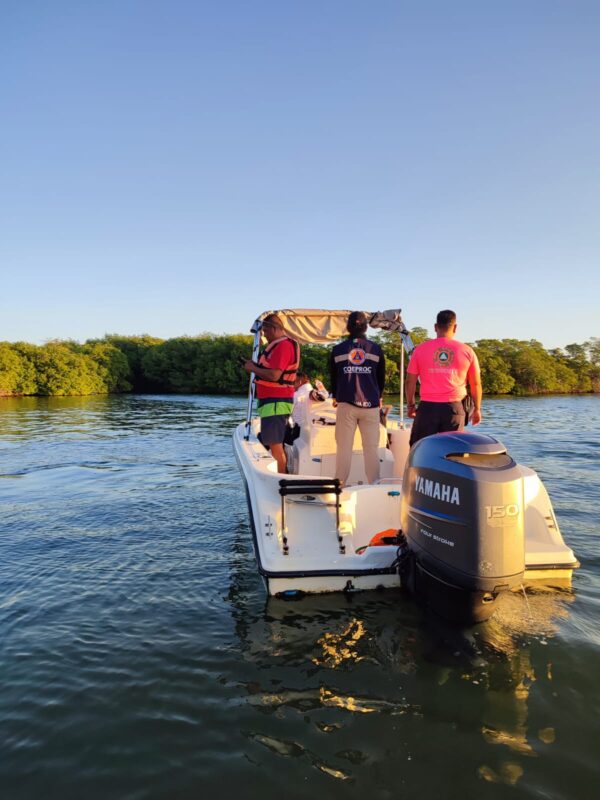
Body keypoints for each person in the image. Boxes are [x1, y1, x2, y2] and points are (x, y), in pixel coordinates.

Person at [405, 309, 482, 446]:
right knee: (453, 453)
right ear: (455, 327)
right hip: (454, 409)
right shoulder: (467, 351)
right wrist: (477, 409)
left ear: (435, 327)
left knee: (420, 449)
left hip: (427, 409)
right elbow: (475, 384)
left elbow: (410, 381)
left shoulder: (420, 350)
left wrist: (411, 405)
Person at [329, 311, 386, 485]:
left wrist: (335, 396)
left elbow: (334, 377)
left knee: (344, 448)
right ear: (366, 327)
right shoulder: (376, 349)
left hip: (346, 404)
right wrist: (378, 397)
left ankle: (339, 485)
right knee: (371, 449)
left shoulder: (337, 350)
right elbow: (381, 378)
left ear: (348, 327)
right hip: (371, 406)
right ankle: (374, 484)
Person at [243, 314, 300, 473]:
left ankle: (280, 478)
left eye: (266, 331)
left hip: (276, 401)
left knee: (276, 445)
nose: (264, 335)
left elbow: (275, 375)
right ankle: (281, 475)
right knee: (275, 444)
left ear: (275, 329)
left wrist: (253, 368)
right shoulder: (278, 346)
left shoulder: (283, 346)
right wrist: (254, 366)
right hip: (273, 401)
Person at [286, 372, 328, 443]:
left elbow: (287, 413)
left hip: (298, 432)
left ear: (299, 382)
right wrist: (321, 387)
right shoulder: (317, 395)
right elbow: (325, 394)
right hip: (314, 431)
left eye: (293, 383)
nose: (292, 385)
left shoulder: (295, 395)